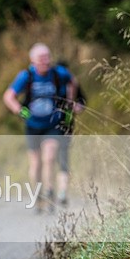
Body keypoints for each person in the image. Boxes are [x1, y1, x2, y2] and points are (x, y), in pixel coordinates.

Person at [3, 43, 73, 212]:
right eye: (41, 59)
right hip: (33, 125)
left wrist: (68, 104)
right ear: (32, 60)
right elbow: (9, 96)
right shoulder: (26, 76)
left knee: (49, 157)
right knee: (36, 164)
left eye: (47, 57)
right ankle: (38, 194)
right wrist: (20, 111)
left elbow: (73, 82)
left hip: (52, 123)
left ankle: (50, 191)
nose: (45, 61)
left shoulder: (58, 73)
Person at [54, 61, 86, 205]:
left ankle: (62, 192)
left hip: (67, 126)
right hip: (49, 127)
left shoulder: (74, 84)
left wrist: (76, 107)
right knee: (52, 157)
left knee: (63, 158)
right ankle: (50, 188)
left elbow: (83, 101)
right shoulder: (53, 84)